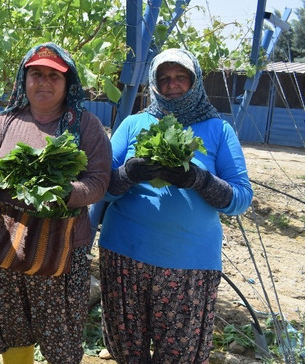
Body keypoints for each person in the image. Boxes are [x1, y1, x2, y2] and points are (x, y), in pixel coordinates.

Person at [98, 48, 254, 363]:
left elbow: (240, 197)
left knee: (179, 354)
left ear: (194, 80)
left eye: (181, 76)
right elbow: (100, 186)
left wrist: (201, 180)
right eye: (164, 77)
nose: (172, 84)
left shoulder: (218, 129)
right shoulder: (133, 123)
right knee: (128, 350)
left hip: (190, 263)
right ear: (154, 83)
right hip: (125, 255)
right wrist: (128, 174)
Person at [0, 42, 112, 363]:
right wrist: (7, 176)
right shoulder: (5, 121)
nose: (44, 82)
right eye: (36, 74)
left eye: (53, 76)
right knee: (12, 326)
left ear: (67, 82)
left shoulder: (84, 125)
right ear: (24, 79)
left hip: (61, 249)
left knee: (60, 333)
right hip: (7, 244)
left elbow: (98, 181)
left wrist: (62, 192)